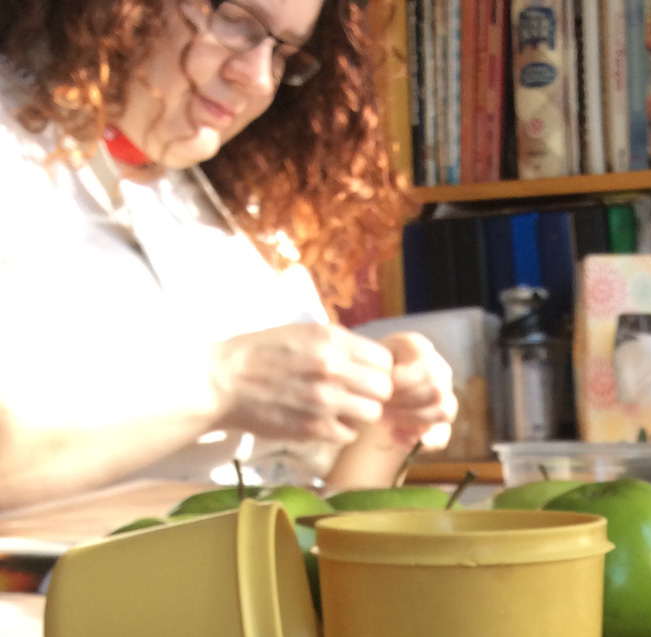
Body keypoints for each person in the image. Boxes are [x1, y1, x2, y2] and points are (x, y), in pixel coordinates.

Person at [0, 0, 457, 511]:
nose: (259, 78)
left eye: (285, 51)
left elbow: (328, 511)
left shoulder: (237, 215)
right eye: (235, 21)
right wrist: (223, 384)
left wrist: (385, 420)